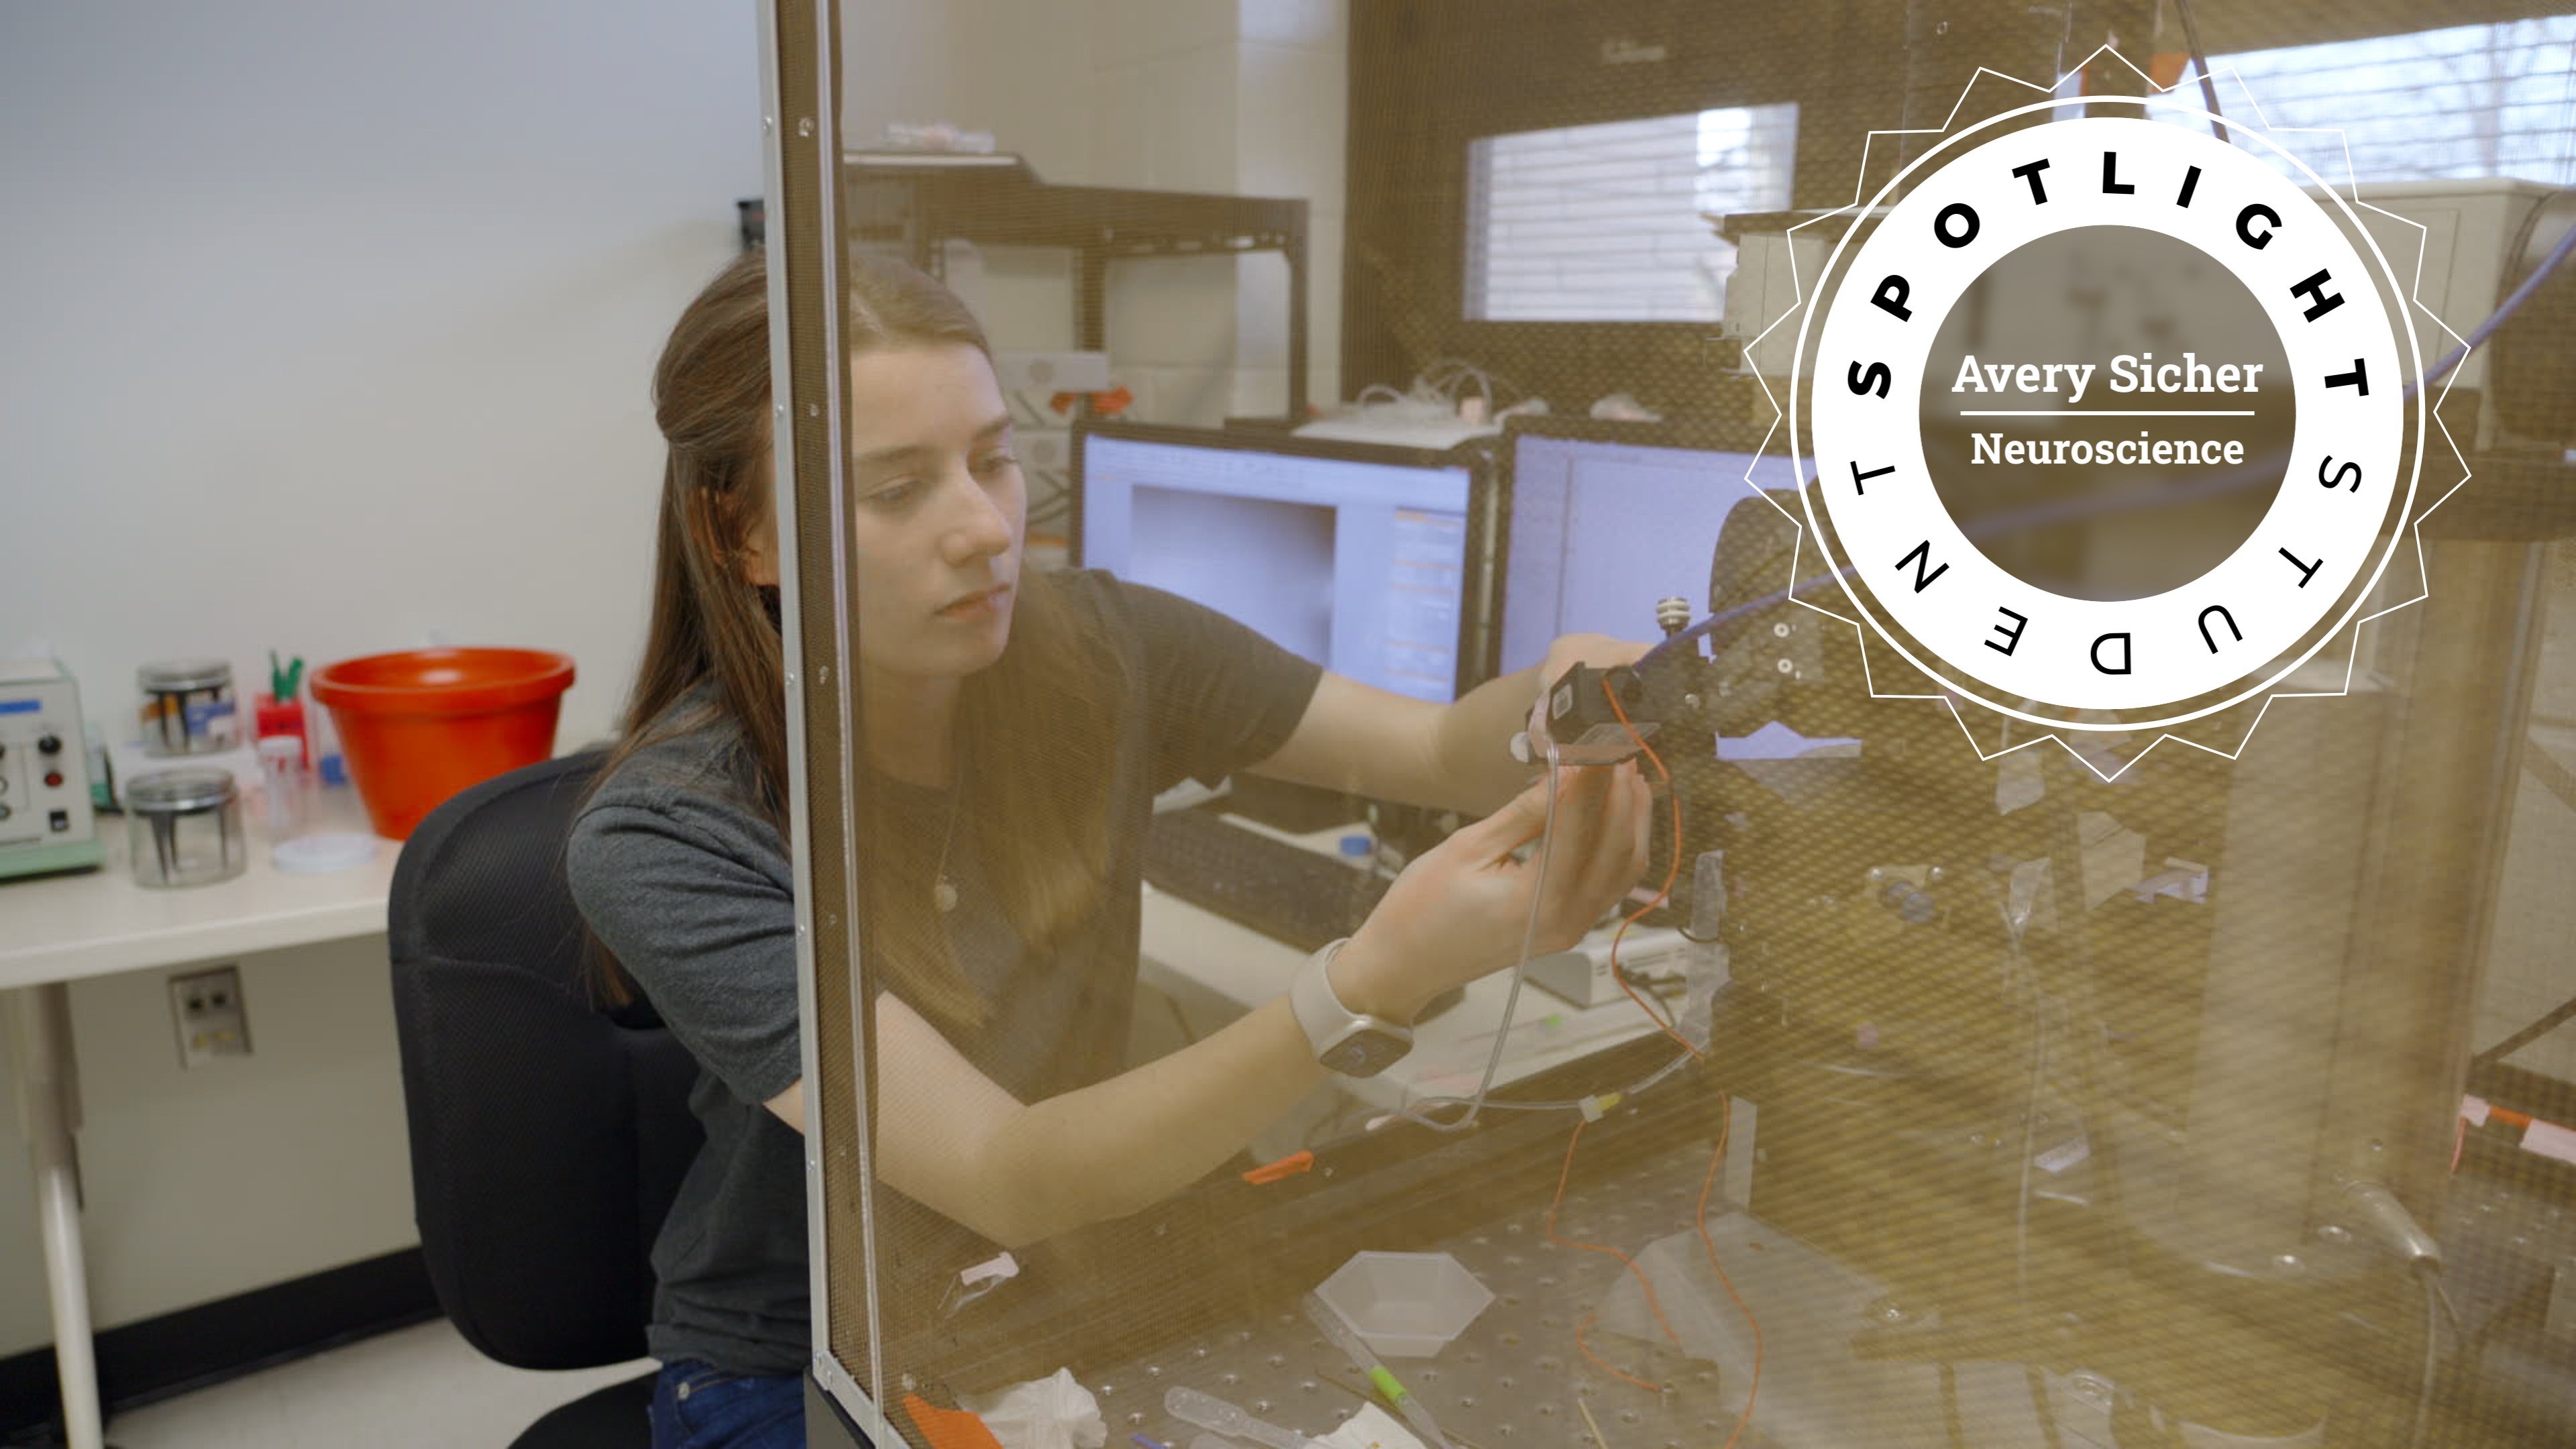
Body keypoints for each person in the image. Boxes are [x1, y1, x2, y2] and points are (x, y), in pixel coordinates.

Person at [566, 248, 1653, 1449]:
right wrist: (1362, 985)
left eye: (991, 459)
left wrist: (1570, 700)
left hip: (1069, 1294)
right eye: (895, 491)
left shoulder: (1099, 647)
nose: (984, 529)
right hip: (808, 1360)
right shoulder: (668, 830)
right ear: (747, 533)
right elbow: (1002, 1171)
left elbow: (1445, 751)